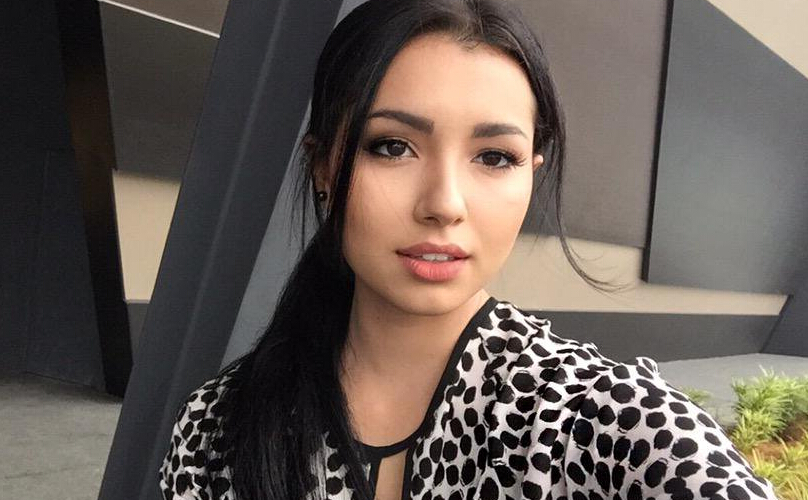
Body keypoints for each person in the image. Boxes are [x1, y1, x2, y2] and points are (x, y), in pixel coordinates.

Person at [158, 1, 779, 499]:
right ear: (323, 165)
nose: (445, 203)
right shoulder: (217, 428)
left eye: (495, 157)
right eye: (392, 147)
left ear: (531, 173)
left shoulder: (608, 423)